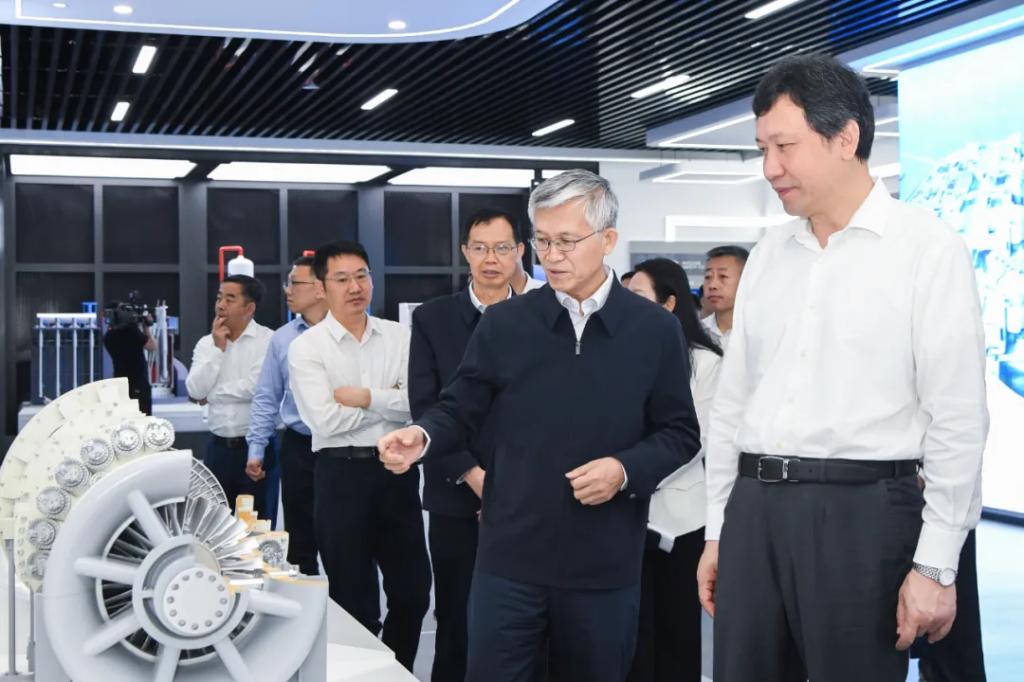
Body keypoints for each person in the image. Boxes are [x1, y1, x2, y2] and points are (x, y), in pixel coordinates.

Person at [696, 54, 988, 682]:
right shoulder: (769, 255)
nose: (770, 168)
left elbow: (958, 420)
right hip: (753, 511)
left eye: (785, 146)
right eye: (762, 149)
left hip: (864, 516)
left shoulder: (926, 249)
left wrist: (936, 565)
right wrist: (719, 530)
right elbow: (733, 405)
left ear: (845, 138)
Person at [379, 170, 701, 682]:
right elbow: (458, 407)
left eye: (567, 241)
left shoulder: (654, 329)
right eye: (543, 241)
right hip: (510, 562)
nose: (552, 256)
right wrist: (422, 436)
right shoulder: (506, 323)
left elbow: (680, 432)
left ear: (608, 240)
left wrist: (624, 470)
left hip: (604, 563)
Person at [288, 241, 431, 671]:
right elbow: (324, 419)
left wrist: (365, 397)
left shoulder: (400, 336)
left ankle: (398, 672)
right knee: (353, 599)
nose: (355, 287)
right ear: (321, 288)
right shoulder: (308, 347)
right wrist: (388, 402)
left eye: (362, 276)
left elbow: (417, 404)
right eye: (342, 279)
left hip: (396, 473)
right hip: (340, 476)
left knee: (413, 591)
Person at [410, 208, 522, 682]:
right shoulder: (432, 318)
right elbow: (426, 406)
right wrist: (475, 477)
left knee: (520, 624)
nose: (490, 259)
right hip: (456, 494)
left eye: (501, 248)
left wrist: (509, 484)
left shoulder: (544, 317)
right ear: (465, 253)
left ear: (520, 252)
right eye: (480, 248)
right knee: (456, 618)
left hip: (525, 499)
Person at [625, 258, 722, 682]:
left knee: (676, 635)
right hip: (621, 516)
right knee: (631, 635)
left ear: (668, 303)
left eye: (638, 296)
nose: (627, 304)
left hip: (680, 519)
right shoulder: (618, 354)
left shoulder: (706, 362)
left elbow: (693, 440)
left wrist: (628, 475)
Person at [245, 255, 328, 575]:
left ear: (320, 288)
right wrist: (256, 448)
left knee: (346, 536)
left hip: (343, 446)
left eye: (294, 283)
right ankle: (305, 597)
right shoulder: (282, 338)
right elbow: (267, 396)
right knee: (300, 538)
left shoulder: (349, 330)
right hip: (298, 446)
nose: (287, 290)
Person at [186, 275, 274, 514]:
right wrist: (218, 349)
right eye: (219, 298)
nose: (221, 305)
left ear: (249, 308)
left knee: (258, 524)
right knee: (215, 523)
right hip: (217, 449)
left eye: (230, 299)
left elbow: (256, 387)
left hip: (256, 448)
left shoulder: (267, 340)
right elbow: (195, 390)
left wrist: (212, 395)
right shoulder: (207, 344)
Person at [103, 297, 157, 415]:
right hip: (138, 381)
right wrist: (146, 328)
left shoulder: (108, 337)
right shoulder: (132, 332)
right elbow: (152, 346)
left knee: (124, 416)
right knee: (143, 415)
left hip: (120, 382)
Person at [701, 245, 748, 348]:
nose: (712, 285)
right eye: (708, 277)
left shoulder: (760, 333)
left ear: (746, 280)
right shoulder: (694, 333)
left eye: (723, 276)